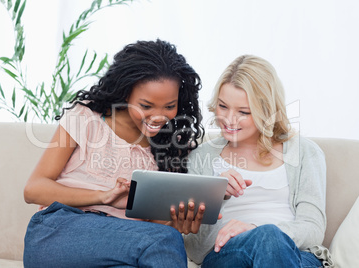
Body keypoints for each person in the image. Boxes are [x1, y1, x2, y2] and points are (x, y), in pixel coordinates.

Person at [23, 39, 206, 267]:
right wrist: (104, 196)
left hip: (121, 247)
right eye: (146, 106)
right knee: (165, 240)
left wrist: (177, 223)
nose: (159, 116)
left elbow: (152, 227)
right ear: (126, 92)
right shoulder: (86, 117)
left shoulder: (170, 145)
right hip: (58, 232)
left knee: (167, 238)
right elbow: (33, 189)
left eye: (169, 106)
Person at [184, 55, 333, 267]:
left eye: (243, 112)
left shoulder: (305, 153)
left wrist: (257, 229)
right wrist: (216, 196)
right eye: (223, 106)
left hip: (296, 256)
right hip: (228, 256)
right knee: (267, 236)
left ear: (267, 112)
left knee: (269, 236)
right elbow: (196, 251)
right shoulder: (201, 157)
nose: (229, 119)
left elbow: (313, 228)